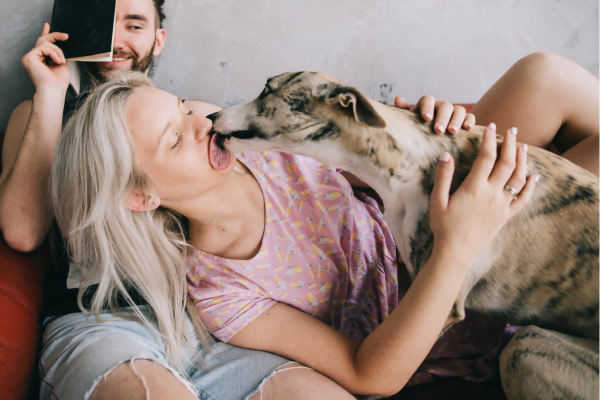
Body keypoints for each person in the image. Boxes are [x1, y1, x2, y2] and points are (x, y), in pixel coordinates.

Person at [49, 53, 599, 398]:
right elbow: (369, 376)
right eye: (173, 138)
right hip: (448, 295)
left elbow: (370, 147)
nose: (201, 122)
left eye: (182, 107)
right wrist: (457, 245)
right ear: (141, 197)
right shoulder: (220, 290)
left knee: (542, 75)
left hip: (431, 222)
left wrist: (432, 128)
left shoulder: (260, 148)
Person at [0, 1, 473, 398]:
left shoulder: (195, 118)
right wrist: (51, 93)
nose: (115, 39)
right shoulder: (45, 113)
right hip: (108, 316)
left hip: (202, 320)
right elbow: (22, 233)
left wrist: (419, 129)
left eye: (135, 24)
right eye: (103, 20)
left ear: (158, 42)